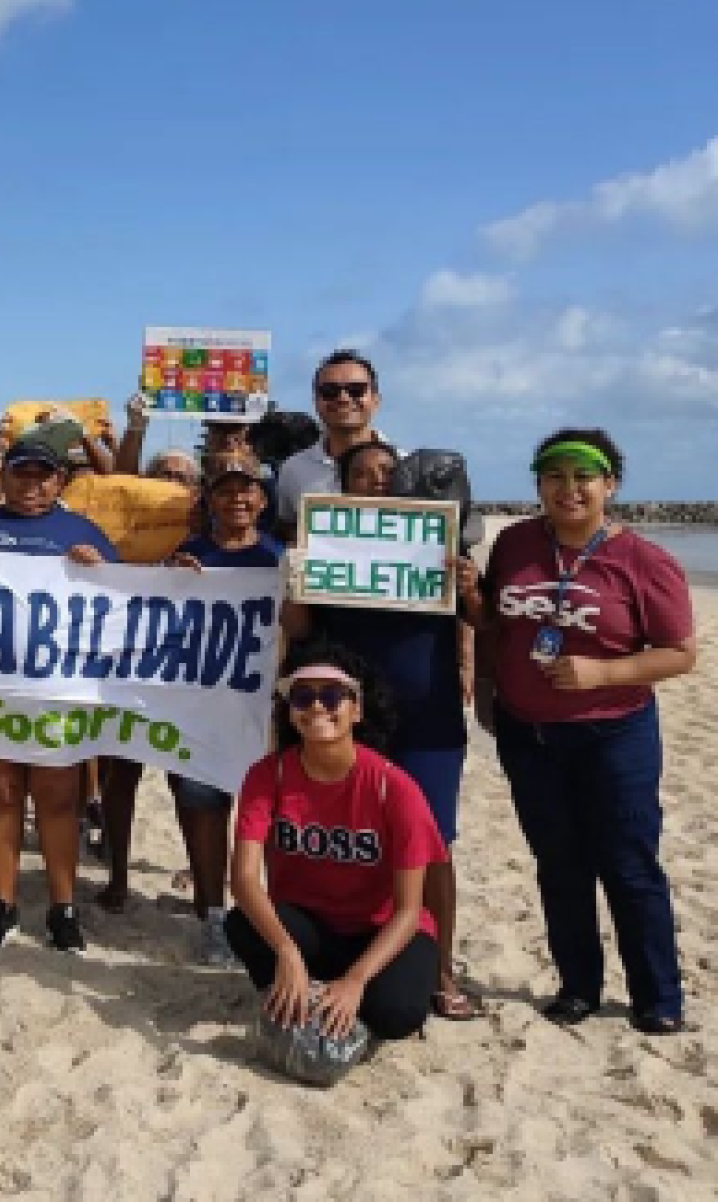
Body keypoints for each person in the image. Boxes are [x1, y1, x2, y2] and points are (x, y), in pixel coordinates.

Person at [458, 429, 696, 1035]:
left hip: (613, 734)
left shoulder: (644, 560)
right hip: (527, 733)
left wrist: (604, 671)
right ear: (538, 484)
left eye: (584, 476)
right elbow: (492, 621)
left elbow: (679, 653)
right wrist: (470, 606)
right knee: (558, 865)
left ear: (610, 485)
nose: (569, 489)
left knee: (629, 864)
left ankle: (657, 996)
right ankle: (578, 986)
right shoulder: (515, 544)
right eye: (555, 476)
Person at [285, 440, 480, 1018]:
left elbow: (483, 619)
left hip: (427, 714)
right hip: (343, 714)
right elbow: (298, 628)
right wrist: (294, 577)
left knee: (434, 844)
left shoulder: (440, 539)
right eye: (362, 475)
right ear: (342, 487)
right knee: (345, 835)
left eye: (385, 474)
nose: (375, 483)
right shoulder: (326, 542)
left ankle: (442, 967)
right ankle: (353, 951)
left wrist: (469, 586)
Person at [0, 437, 117, 952]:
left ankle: (63, 907)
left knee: (59, 801)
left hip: (58, 689)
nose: (32, 484)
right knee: (0, 795)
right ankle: (1, 902)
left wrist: (100, 567)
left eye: (43, 475)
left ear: (60, 480)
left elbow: (128, 602)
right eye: (22, 473)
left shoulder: (81, 531)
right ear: (5, 476)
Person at [225, 645, 446, 1044]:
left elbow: (409, 910)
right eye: (302, 696)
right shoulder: (266, 776)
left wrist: (357, 979)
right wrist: (287, 952)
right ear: (289, 709)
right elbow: (242, 879)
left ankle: (341, 993)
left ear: (357, 709)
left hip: (381, 931)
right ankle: (302, 986)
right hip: (312, 929)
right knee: (242, 924)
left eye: (331, 696)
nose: (316, 707)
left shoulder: (393, 788)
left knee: (396, 1015)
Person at [148, 456, 285, 965]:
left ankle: (268, 917)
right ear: (210, 499)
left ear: (263, 499)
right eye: (225, 491)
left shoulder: (282, 558)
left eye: (247, 490)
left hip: (263, 708)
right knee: (203, 809)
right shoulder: (187, 554)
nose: (237, 500)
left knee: (267, 819)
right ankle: (211, 915)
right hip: (202, 707)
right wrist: (170, 578)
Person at [274, 349, 394, 536]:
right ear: (315, 401)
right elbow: (286, 529)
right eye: (330, 391)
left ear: (376, 400)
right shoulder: (293, 469)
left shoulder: (406, 465)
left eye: (356, 390)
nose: (343, 398)